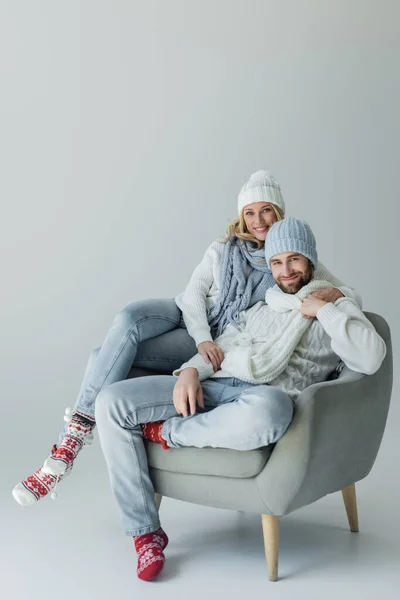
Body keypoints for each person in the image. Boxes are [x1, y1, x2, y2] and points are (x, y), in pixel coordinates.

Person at [12, 172, 358, 506]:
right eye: (249, 212)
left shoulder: (287, 252)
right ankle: (75, 434)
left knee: (101, 357)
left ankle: (76, 451)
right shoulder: (224, 248)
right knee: (128, 319)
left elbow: (342, 291)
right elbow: (193, 295)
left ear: (278, 211)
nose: (258, 220)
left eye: (266, 209)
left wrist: (331, 300)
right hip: (190, 321)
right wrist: (203, 338)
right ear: (241, 216)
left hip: (221, 339)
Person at [92, 217, 386, 582]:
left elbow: (372, 357)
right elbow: (222, 346)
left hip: (259, 399)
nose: (286, 270)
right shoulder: (265, 305)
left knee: (273, 410)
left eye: (294, 260)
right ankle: (145, 532)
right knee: (110, 402)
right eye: (277, 262)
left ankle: (168, 433)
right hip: (216, 384)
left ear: (311, 261)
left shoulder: (335, 307)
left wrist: (322, 311)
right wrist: (190, 372)